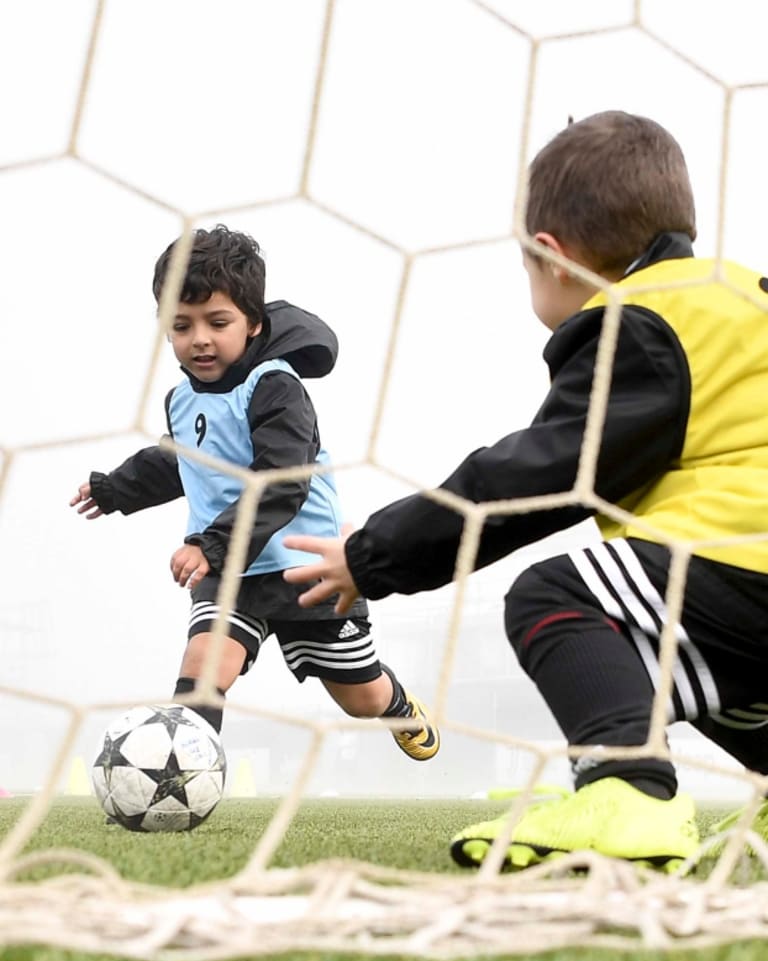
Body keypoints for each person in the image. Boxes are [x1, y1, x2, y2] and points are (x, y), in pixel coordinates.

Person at [282, 110, 768, 873]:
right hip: (747, 596)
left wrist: (373, 555)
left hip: (744, 561)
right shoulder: (744, 293)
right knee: (700, 657)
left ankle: (628, 790)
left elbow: (538, 476)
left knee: (558, 597)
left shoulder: (643, 321)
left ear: (551, 257)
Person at [70, 225, 439, 766]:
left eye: (217, 323)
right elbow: (180, 462)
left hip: (305, 570)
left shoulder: (274, 385)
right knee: (203, 664)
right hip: (231, 572)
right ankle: (178, 779)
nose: (199, 339)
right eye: (181, 325)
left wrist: (209, 544)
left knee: (360, 697)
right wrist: (114, 489)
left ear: (253, 323)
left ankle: (399, 704)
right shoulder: (181, 398)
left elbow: (282, 482)